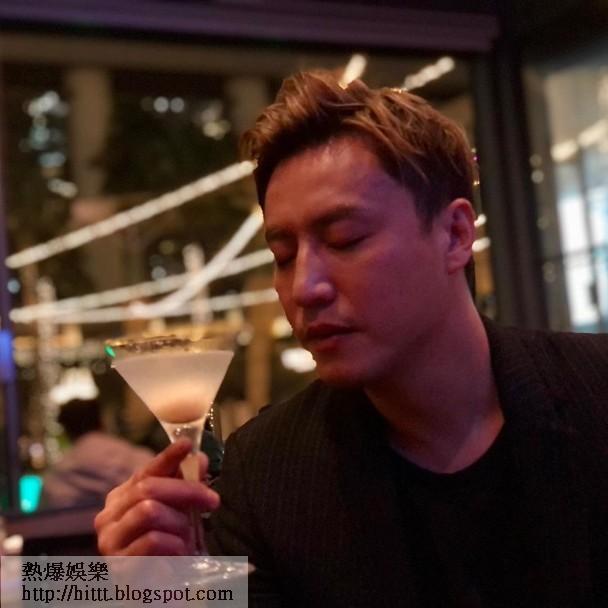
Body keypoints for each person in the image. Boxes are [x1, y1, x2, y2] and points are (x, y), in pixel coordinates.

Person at [95, 71, 608, 606]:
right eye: (283, 255)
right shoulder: (267, 473)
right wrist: (162, 592)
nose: (304, 287)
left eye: (345, 239)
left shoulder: (596, 394)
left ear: (456, 235)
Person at [41, 399, 153, 509]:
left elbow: (47, 512)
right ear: (102, 421)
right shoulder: (137, 456)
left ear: (66, 430)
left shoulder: (56, 475)